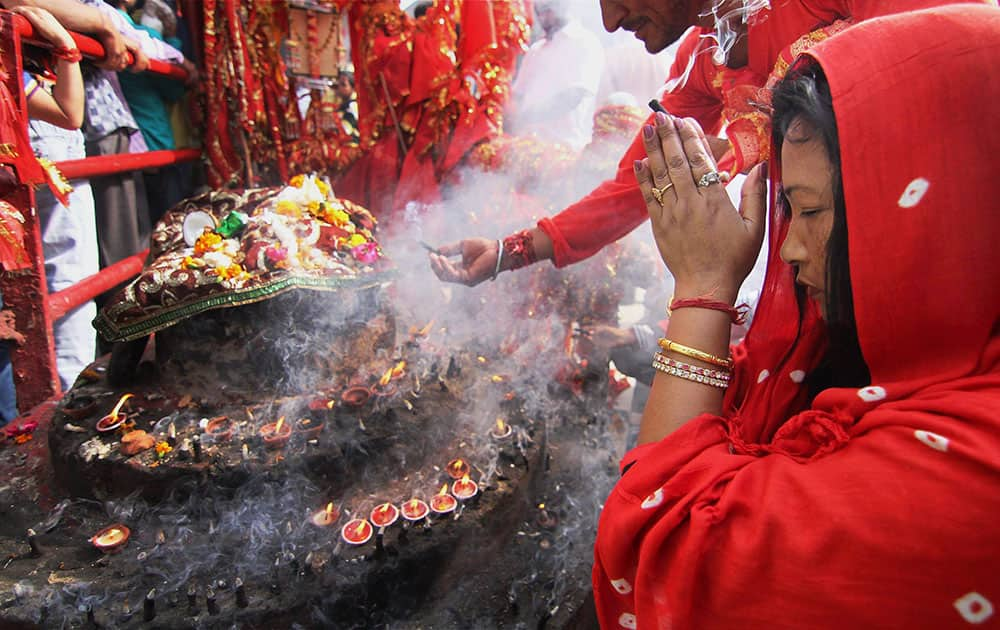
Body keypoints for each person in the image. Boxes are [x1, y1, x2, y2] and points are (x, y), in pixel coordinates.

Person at [592, 5, 1000, 627]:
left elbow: (658, 554)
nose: (786, 249)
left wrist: (703, 288)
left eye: (809, 213)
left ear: (935, 205)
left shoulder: (962, 476)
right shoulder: (930, 362)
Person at [428, 0, 992, 287]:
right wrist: (512, 251)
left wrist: (762, 134)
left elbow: (947, 57)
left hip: (907, 260)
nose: (610, 19)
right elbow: (636, 184)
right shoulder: (701, 57)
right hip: (799, 272)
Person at [506, 0, 605, 151]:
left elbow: (575, 96)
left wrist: (529, 116)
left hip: (566, 149)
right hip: (527, 148)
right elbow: (517, 95)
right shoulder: (535, 50)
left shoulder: (585, 42)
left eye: (547, 9)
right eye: (538, 11)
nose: (542, 17)